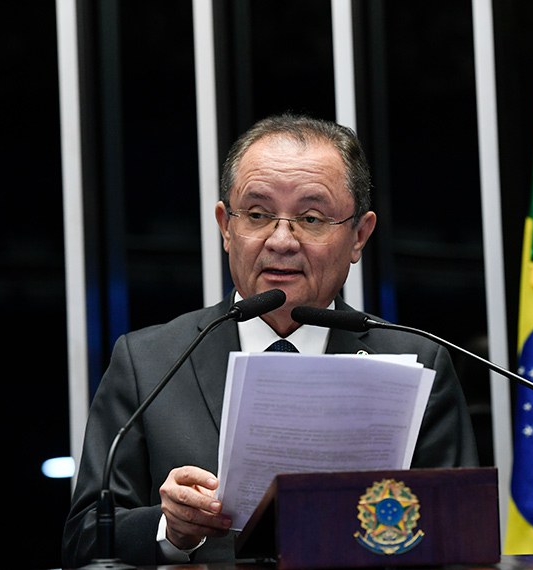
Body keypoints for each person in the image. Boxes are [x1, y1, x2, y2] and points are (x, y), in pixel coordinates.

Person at [62, 113, 478, 567]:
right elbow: (85, 542)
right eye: (257, 215)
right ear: (225, 225)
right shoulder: (149, 362)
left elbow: (460, 534)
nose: (281, 240)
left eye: (312, 218)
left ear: (359, 235)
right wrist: (170, 529)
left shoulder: (415, 361)